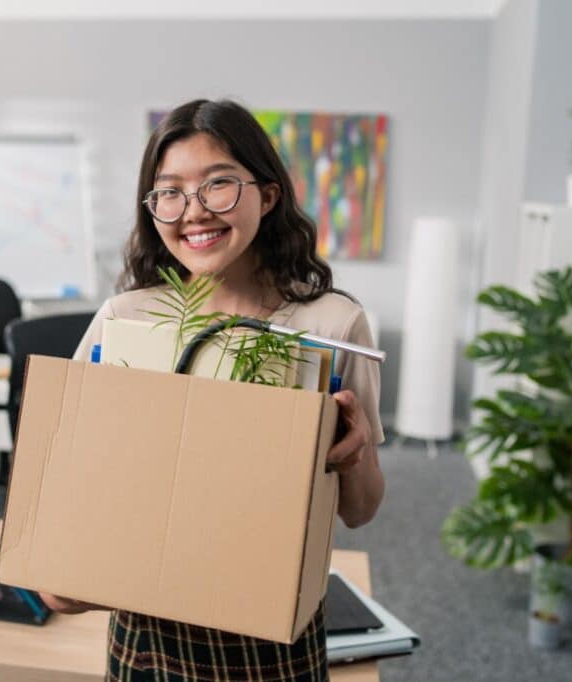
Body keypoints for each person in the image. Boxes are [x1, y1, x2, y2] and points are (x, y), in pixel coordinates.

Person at [39, 98, 385, 681]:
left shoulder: (332, 326)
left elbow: (360, 510)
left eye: (218, 185)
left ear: (268, 195)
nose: (193, 212)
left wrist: (353, 456)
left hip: (270, 640)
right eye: (169, 192)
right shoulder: (126, 319)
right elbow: (73, 483)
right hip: (147, 633)